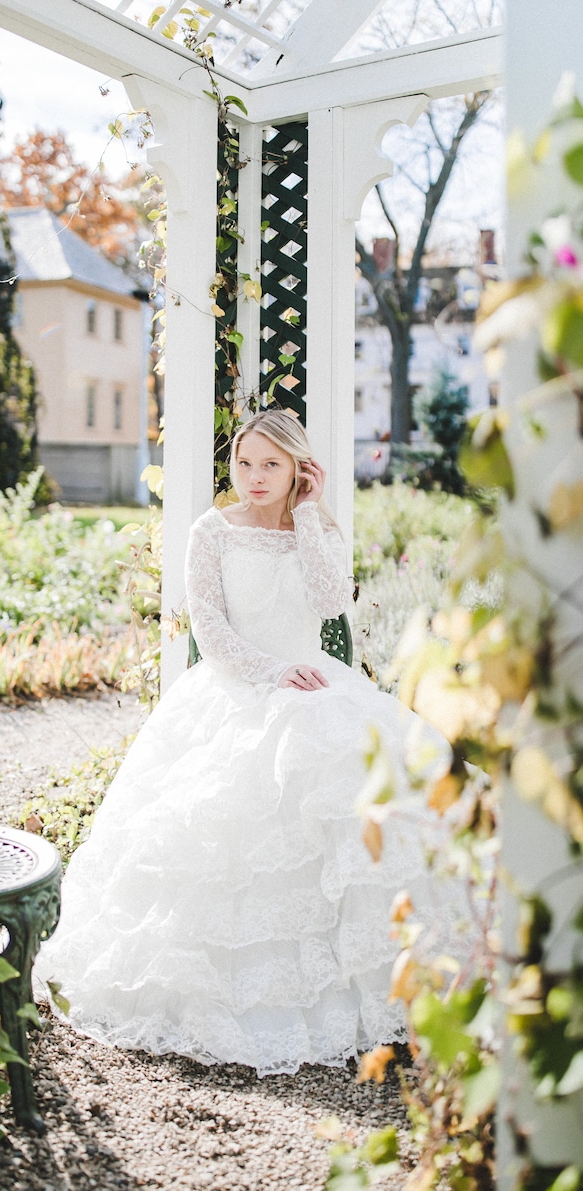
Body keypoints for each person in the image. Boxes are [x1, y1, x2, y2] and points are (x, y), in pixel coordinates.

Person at [33, 409, 456, 1077]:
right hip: (236, 688)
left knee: (350, 809)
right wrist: (271, 671)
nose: (255, 477)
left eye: (272, 465)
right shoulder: (211, 531)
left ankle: (367, 986)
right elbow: (209, 624)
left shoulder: (318, 527)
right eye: (245, 463)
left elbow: (326, 601)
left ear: (298, 469)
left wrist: (311, 516)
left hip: (318, 688)